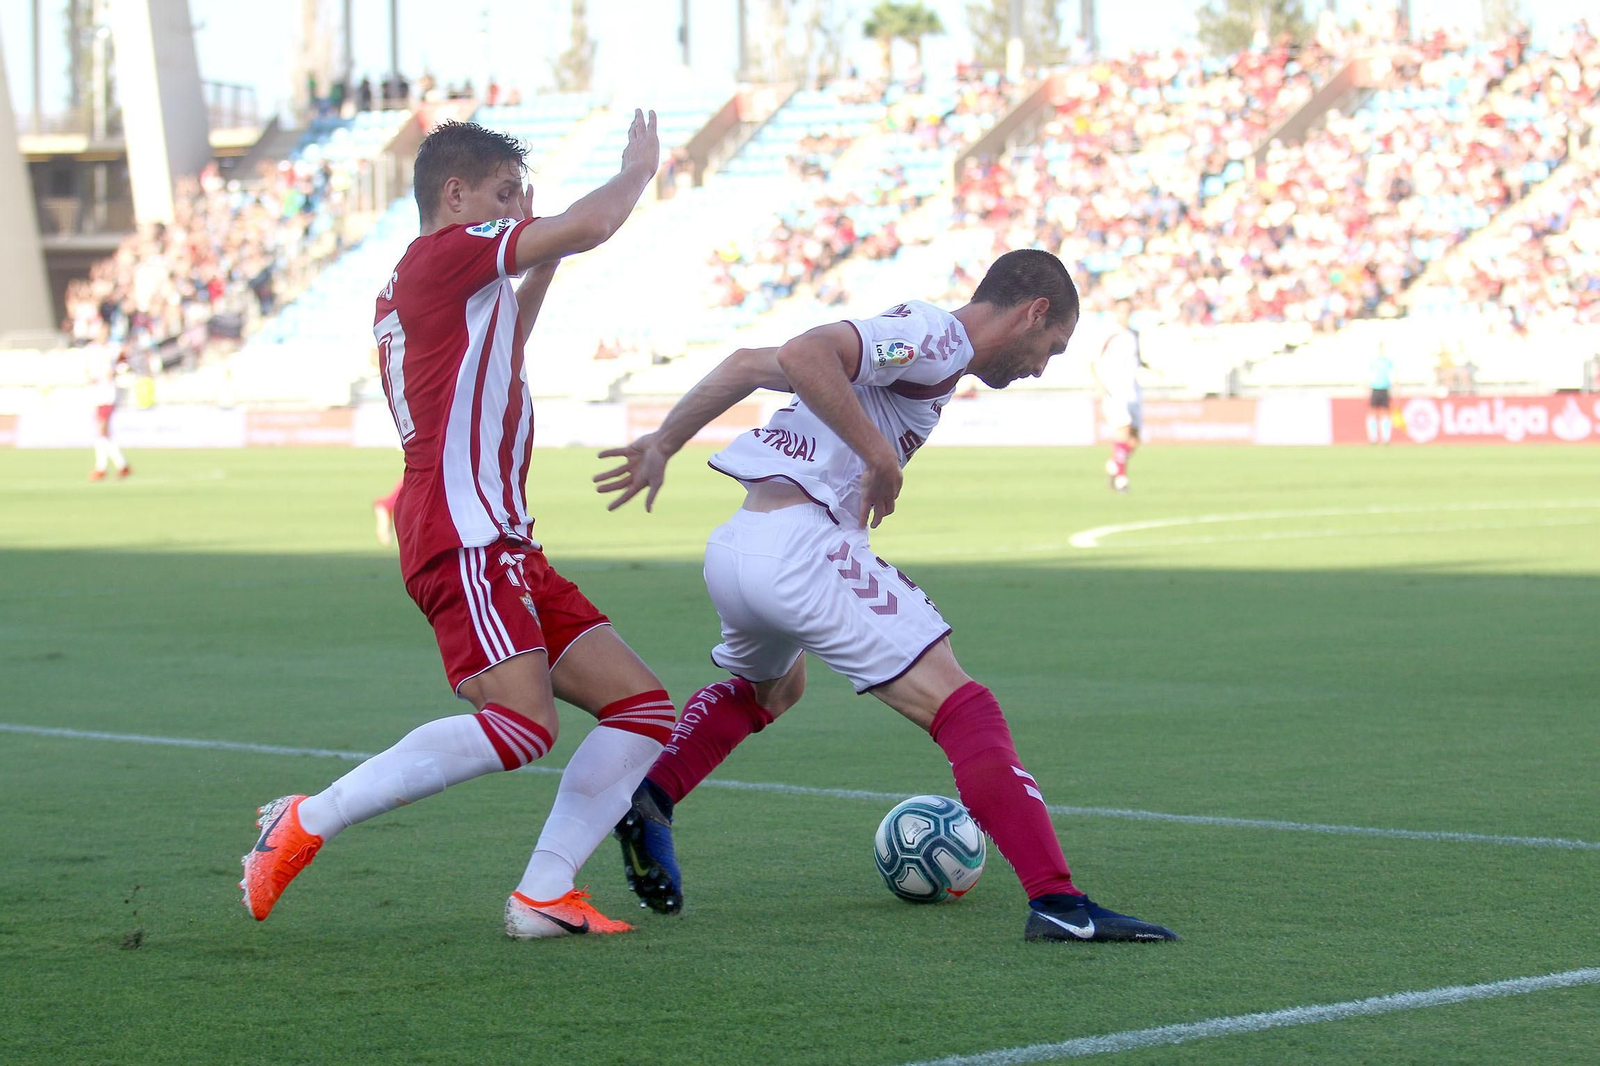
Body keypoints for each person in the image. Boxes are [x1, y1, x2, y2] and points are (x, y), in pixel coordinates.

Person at [594, 250, 1178, 944]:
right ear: (1034, 312)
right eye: (1050, 349)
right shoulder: (936, 336)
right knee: (965, 706)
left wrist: (665, 439)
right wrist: (877, 455)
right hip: (803, 547)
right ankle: (1058, 903)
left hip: (740, 545)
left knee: (771, 692)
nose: (1042, 367)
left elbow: (753, 363)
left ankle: (652, 798)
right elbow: (809, 350)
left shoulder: (927, 358)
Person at [240, 114, 676, 940]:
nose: (517, 210)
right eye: (503, 195)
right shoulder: (441, 256)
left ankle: (544, 892)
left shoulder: (450, 286)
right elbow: (591, 224)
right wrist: (639, 168)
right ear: (455, 195)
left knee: (643, 708)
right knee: (522, 724)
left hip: (504, 539)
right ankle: (303, 821)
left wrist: (534, 252)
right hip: (461, 531)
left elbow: (509, 340)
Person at [1092, 300, 1142, 492]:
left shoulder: (1134, 334)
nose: (1126, 315)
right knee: (1123, 429)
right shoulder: (1109, 334)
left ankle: (1115, 463)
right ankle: (1121, 478)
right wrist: (1099, 383)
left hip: (1134, 390)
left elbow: (1136, 360)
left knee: (1135, 439)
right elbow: (1093, 360)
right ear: (1116, 313)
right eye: (1122, 311)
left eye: (1129, 311)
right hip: (1114, 389)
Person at [88, 348, 131, 482]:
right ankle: (120, 465)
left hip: (108, 398)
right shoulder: (93, 351)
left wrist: (115, 372)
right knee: (103, 434)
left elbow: (125, 365)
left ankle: (103, 468)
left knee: (102, 431)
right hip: (98, 398)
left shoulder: (113, 350)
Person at [1368, 343, 1394, 443]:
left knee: (1385, 412)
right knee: (1372, 412)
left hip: (1385, 388)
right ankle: (1373, 437)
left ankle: (1385, 437)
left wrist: (1395, 388)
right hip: (1375, 387)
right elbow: (1369, 374)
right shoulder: (1373, 361)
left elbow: (1392, 375)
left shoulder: (1388, 361)